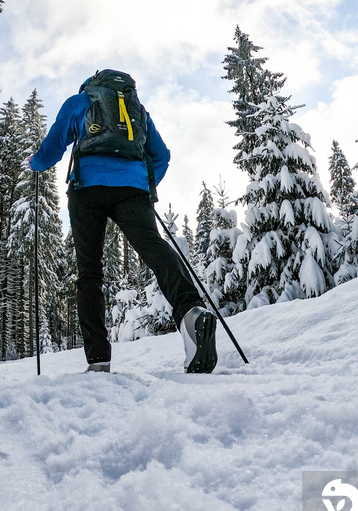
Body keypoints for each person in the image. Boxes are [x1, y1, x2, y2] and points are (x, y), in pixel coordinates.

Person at [29, 70, 217, 374]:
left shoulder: (80, 101)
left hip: (87, 190)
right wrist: (143, 183)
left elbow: (52, 147)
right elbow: (162, 156)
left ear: (91, 85)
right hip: (133, 191)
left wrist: (35, 163)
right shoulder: (138, 110)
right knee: (153, 247)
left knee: (89, 272)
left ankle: (99, 359)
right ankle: (190, 310)